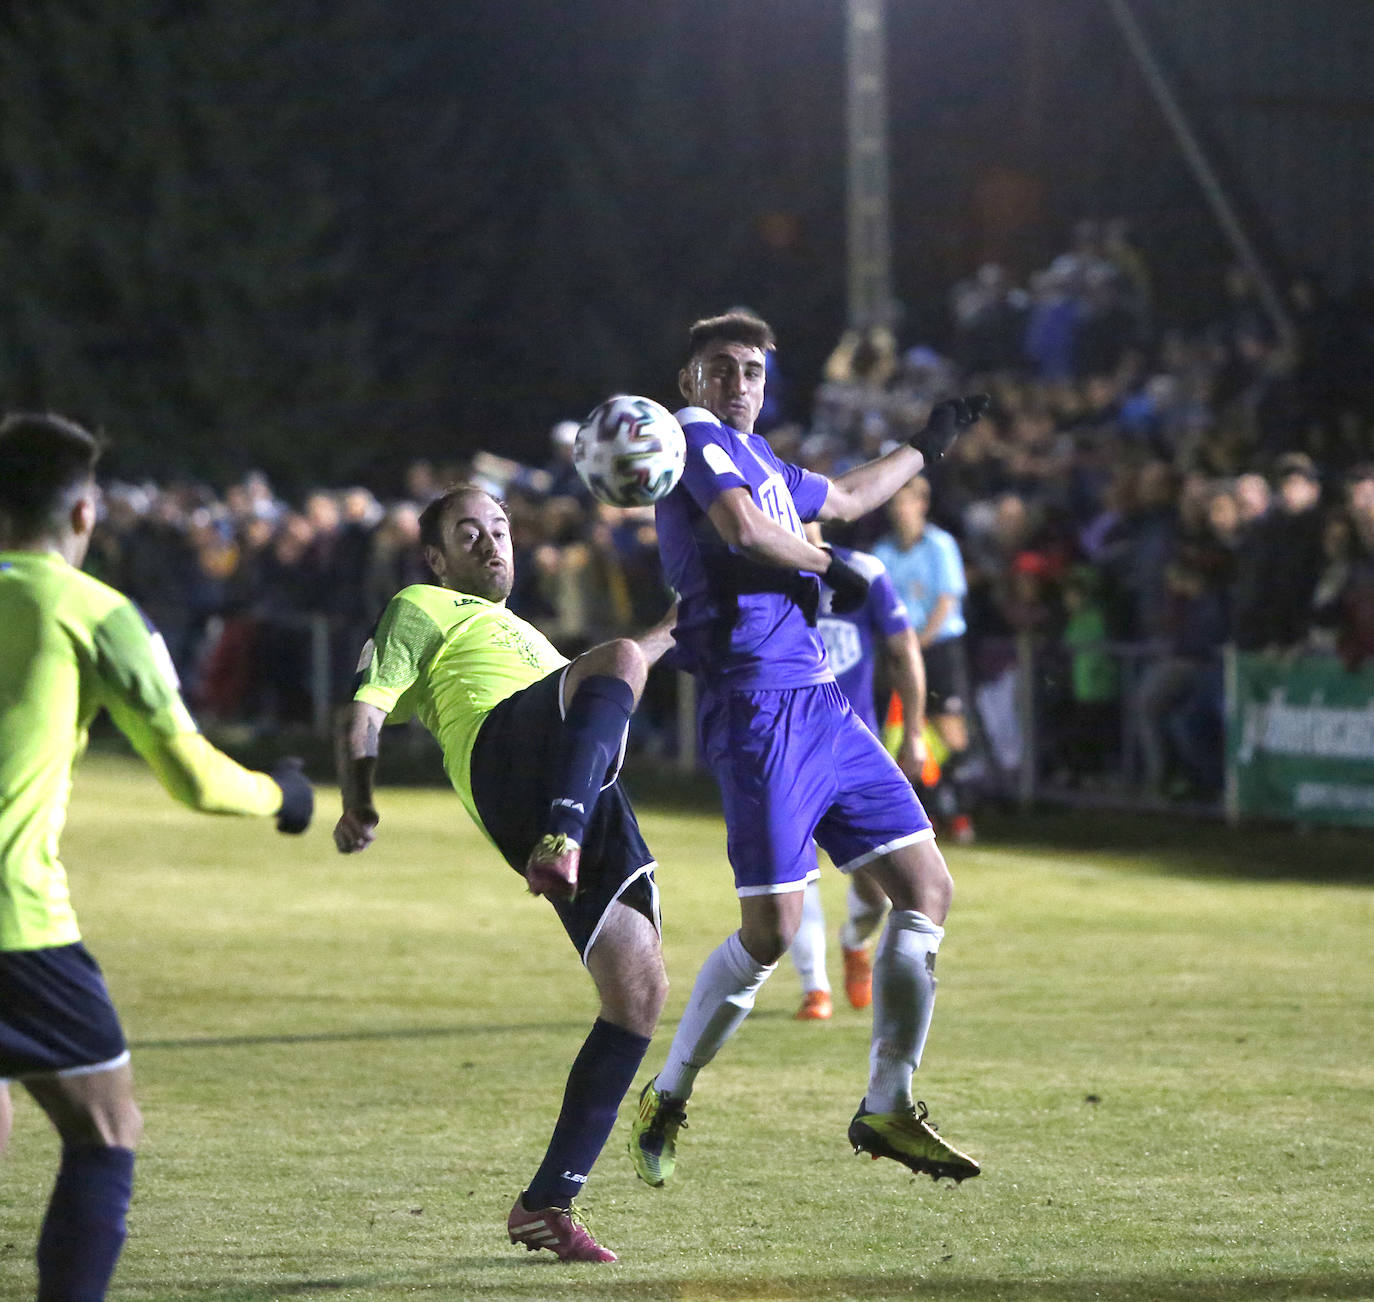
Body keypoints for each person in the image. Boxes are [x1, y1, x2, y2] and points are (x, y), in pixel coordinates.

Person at [630, 310, 987, 1191]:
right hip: (753, 710)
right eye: (719, 366)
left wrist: (925, 445)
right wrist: (836, 568)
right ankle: (668, 1094)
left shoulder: (769, 463)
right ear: (689, 382)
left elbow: (855, 498)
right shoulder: (693, 439)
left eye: (750, 369)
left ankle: (888, 1104)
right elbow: (747, 533)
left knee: (927, 887)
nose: (736, 381)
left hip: (822, 705)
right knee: (773, 930)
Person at [0, 412, 314, 1302]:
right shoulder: (95, 611)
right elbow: (195, 780)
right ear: (86, 515)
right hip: (15, 923)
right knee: (104, 1130)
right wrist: (284, 796)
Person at [333, 482, 674, 1264]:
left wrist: (675, 626)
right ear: (435, 556)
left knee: (639, 992)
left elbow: (626, 670)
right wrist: (358, 800)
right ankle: (561, 836)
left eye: (500, 528)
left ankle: (545, 1204)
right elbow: (366, 707)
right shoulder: (420, 604)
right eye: (468, 533)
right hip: (510, 757)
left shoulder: (523, 632)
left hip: (581, 784)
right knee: (616, 656)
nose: (491, 543)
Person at [787, 522, 930, 1021]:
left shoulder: (864, 571)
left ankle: (854, 942)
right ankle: (815, 987)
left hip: (856, 747)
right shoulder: (765, 570)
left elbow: (903, 649)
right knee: (795, 872)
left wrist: (913, 732)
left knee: (877, 889)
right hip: (788, 748)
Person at [873, 476, 979, 843]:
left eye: (904, 502)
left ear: (922, 504)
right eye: (893, 503)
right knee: (907, 733)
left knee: (950, 735)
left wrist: (919, 643)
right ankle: (931, 810)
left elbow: (947, 601)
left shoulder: (939, 545)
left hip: (938, 650)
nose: (898, 510)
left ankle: (960, 812)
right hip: (902, 654)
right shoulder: (883, 551)